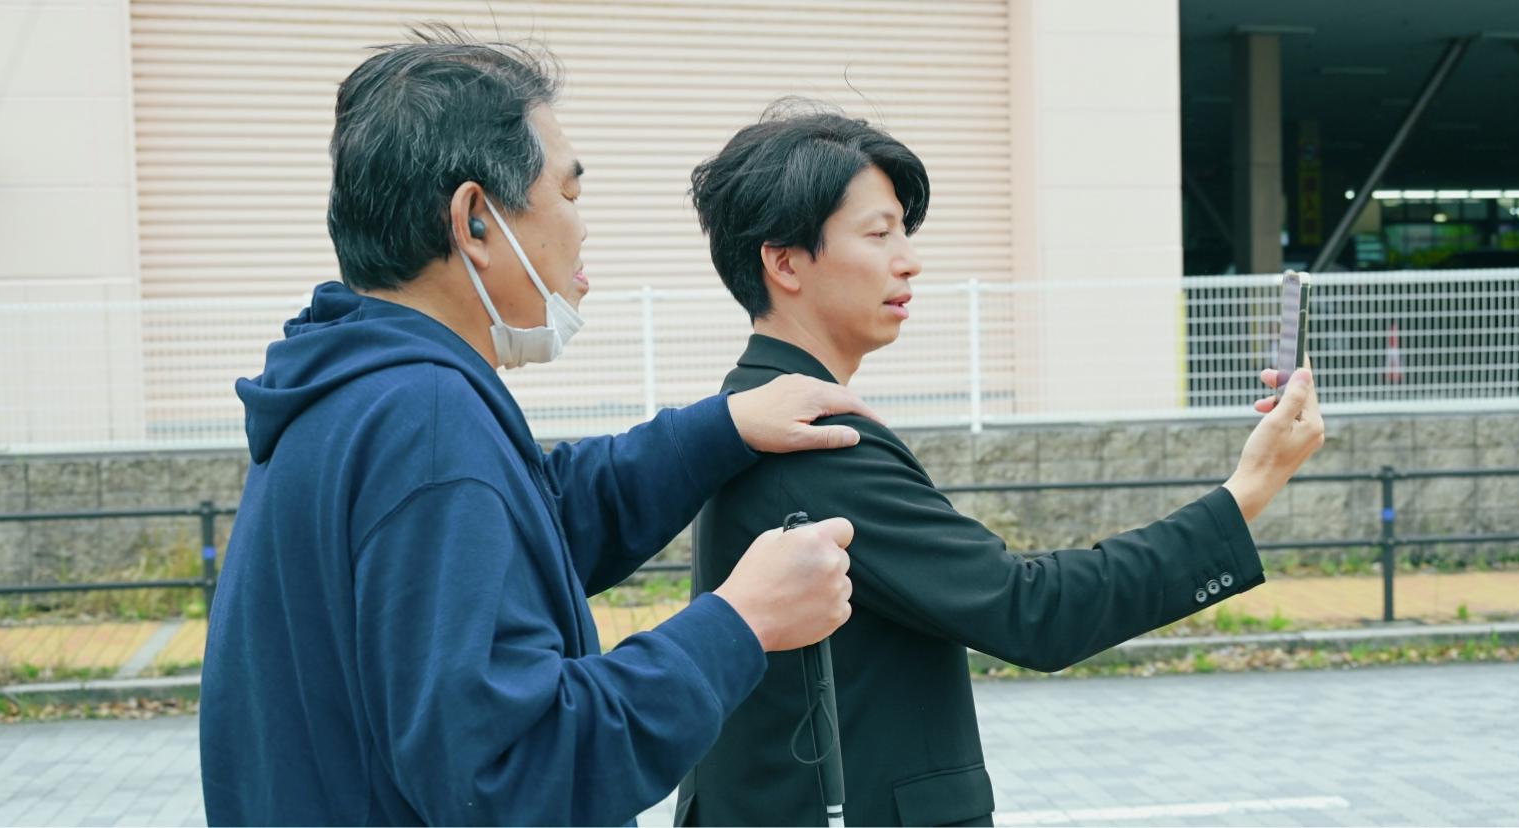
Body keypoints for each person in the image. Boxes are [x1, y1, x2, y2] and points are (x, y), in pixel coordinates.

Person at [199, 32, 871, 826]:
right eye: (569, 194)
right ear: (475, 221)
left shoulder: (355, 393)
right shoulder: (427, 425)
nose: (583, 230)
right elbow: (512, 769)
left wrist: (719, 429)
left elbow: (531, 527)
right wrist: (741, 623)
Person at [673, 103, 1326, 826]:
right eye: (879, 234)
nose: (909, 259)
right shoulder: (814, 443)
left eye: (905, 232)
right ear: (785, 261)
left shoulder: (751, 415)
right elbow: (1032, 611)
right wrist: (1248, 490)